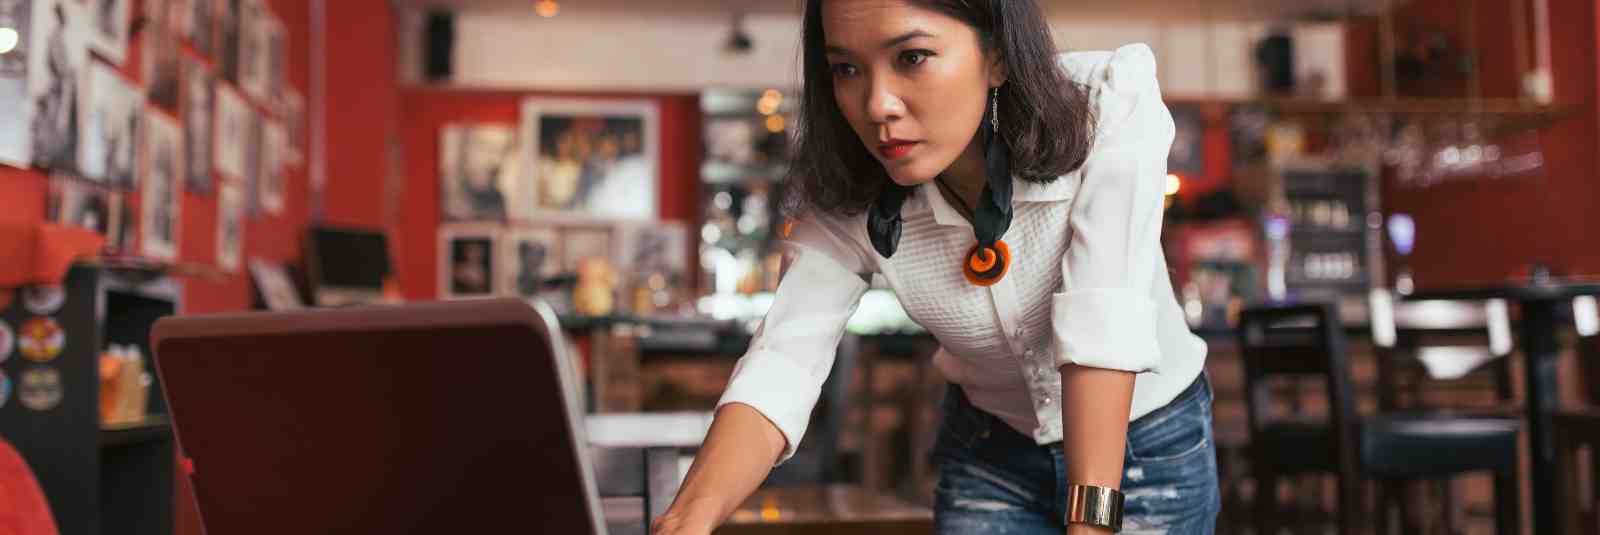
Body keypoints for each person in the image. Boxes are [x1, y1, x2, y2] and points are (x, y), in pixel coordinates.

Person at [652, 2, 1216, 534]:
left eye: (911, 57)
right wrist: (687, 519)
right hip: (991, 445)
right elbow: (783, 361)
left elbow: (1103, 317)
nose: (876, 105)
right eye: (846, 68)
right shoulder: (845, 188)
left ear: (995, 54)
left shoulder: (1105, 106)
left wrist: (1089, 522)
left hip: (1147, 443)